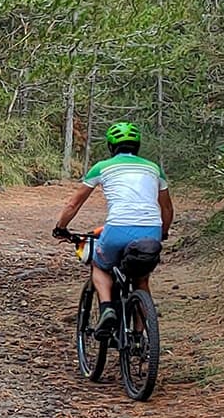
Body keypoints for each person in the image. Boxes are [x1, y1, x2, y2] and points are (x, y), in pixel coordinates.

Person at [53, 122, 173, 338]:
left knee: (99, 265)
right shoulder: (154, 168)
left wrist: (61, 228)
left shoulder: (102, 167)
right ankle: (140, 336)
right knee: (141, 279)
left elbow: (74, 204)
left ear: (111, 146)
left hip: (117, 228)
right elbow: (166, 208)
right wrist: (162, 232)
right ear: (137, 146)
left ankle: (107, 308)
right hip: (151, 231)